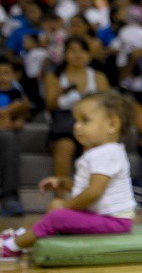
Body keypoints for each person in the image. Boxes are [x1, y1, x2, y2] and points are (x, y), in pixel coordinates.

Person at [2, 90, 135, 260]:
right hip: (102, 216)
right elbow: (87, 187)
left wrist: (66, 206)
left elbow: (94, 192)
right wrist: (63, 182)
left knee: (58, 214)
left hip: (114, 221)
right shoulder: (102, 152)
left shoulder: (106, 153)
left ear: (112, 125)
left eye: (85, 120)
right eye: (76, 120)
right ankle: (23, 236)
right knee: (56, 206)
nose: (76, 126)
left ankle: (12, 247)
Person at [44, 36, 111, 186]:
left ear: (89, 54)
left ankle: (91, 194)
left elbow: (108, 106)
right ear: (65, 54)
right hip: (63, 129)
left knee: (93, 146)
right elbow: (49, 106)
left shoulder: (98, 77)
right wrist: (57, 94)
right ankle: (60, 196)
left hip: (91, 128)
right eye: (73, 51)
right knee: (64, 146)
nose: (78, 55)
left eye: (82, 51)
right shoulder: (54, 76)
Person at [0, 57, 30, 216]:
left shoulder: (15, 92)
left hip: (6, 131)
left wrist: (12, 118)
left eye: (6, 73)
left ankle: (9, 198)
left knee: (8, 138)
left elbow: (22, 113)